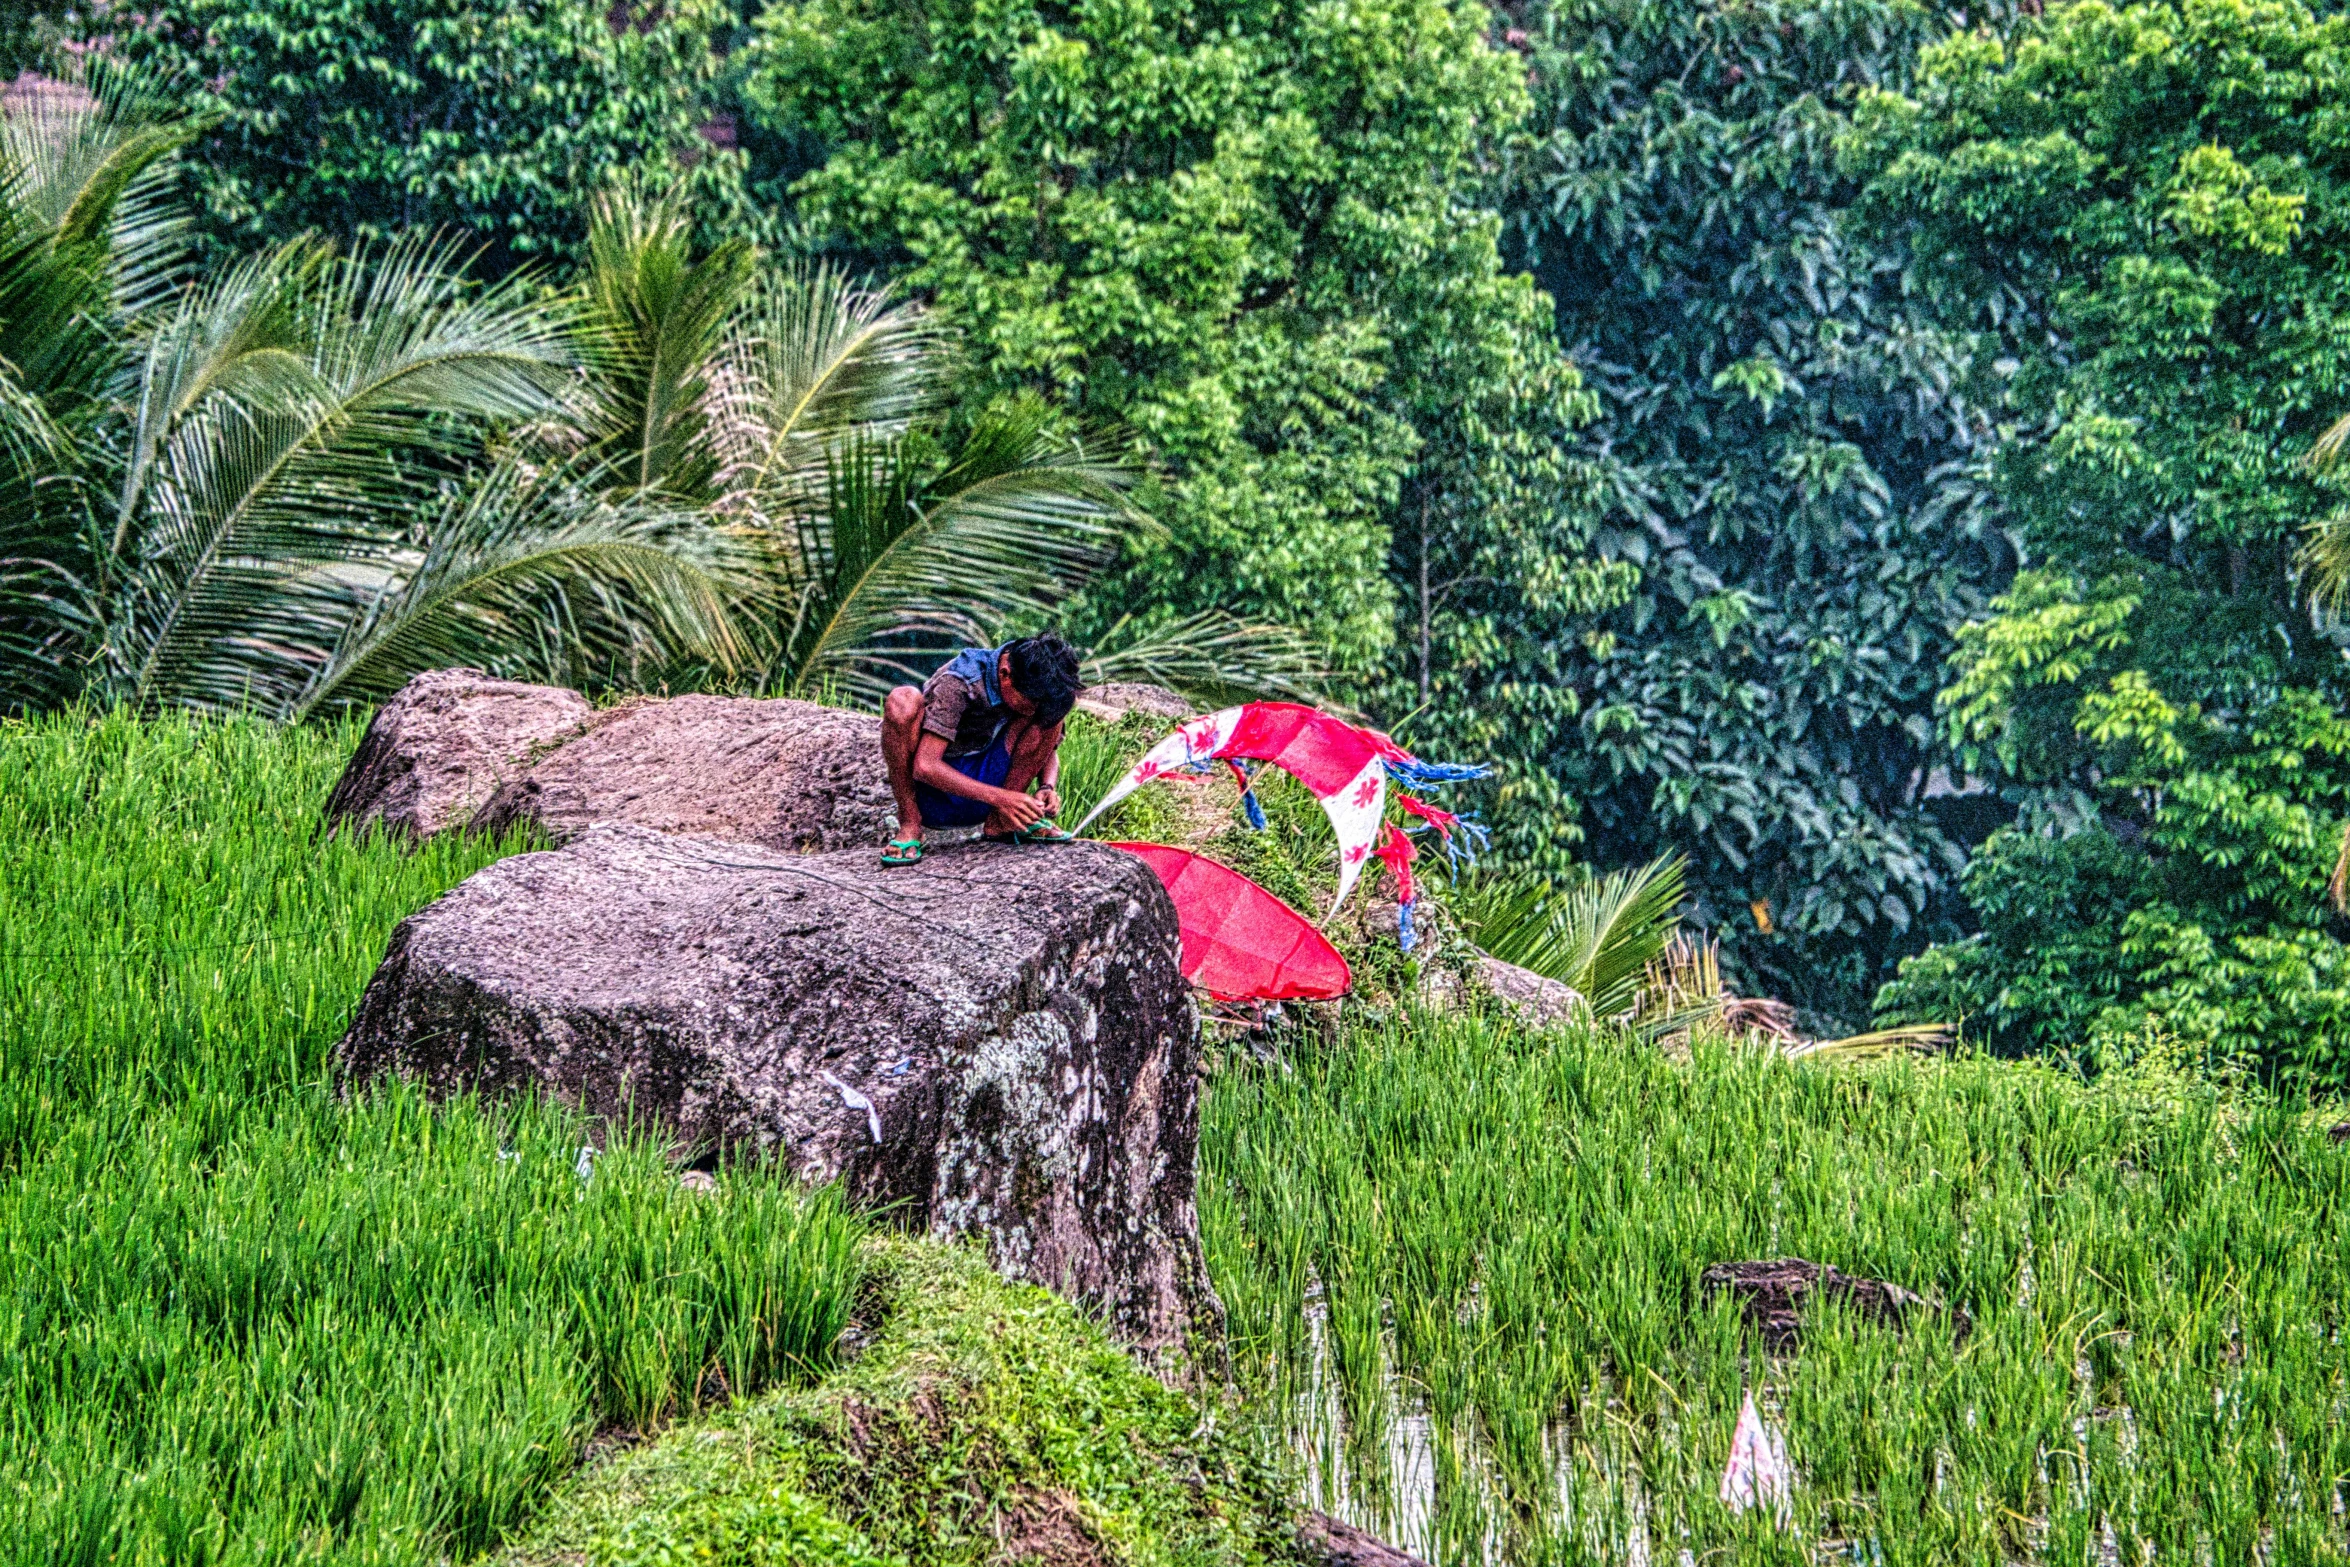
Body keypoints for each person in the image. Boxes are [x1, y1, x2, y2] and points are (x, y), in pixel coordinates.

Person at [880, 633, 1083, 866]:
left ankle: (1002, 822)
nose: (1031, 712)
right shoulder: (961, 680)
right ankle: (910, 823)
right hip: (934, 792)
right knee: (902, 699)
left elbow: (1046, 744)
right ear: (1005, 675)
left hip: (991, 790)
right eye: (1029, 704)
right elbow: (925, 766)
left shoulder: (1032, 683)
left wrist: (1047, 786)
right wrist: (1002, 798)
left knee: (1052, 717)